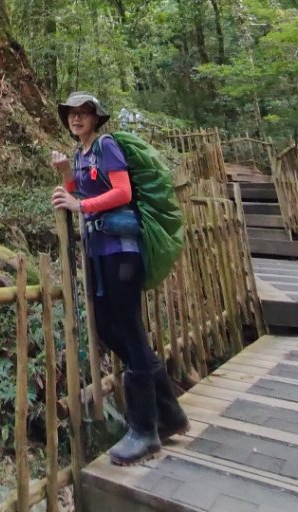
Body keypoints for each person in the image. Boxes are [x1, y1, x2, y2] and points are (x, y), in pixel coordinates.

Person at [51, 91, 188, 465]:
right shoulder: (82, 153)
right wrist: (66, 176)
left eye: (84, 113)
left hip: (122, 250)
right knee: (110, 329)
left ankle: (145, 430)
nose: (76, 119)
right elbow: (84, 188)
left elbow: (122, 192)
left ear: (96, 118)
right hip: (99, 250)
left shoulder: (107, 146)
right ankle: (170, 415)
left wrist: (80, 205)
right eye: (71, 114)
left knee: (127, 328)